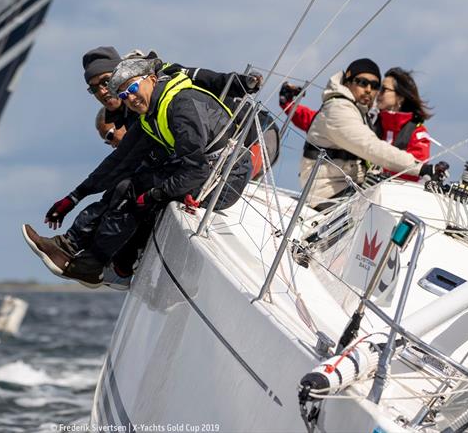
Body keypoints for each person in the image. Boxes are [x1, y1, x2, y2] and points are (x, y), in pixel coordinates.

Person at [23, 58, 252, 287]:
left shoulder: (180, 106)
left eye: (132, 89)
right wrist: (73, 197)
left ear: (151, 80)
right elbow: (119, 161)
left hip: (224, 180)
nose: (130, 99)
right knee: (125, 183)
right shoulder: (150, 115)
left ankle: (93, 264)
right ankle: (69, 246)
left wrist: (155, 194)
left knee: (132, 191)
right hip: (203, 172)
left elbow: (196, 169)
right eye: (123, 96)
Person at [298, 58, 445, 209]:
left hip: (360, 190)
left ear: (400, 97)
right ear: (348, 82)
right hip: (329, 195)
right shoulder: (341, 109)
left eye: (375, 86)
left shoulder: (364, 114)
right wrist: (421, 168)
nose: (369, 89)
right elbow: (370, 147)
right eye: (362, 82)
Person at [281, 67, 433, 181]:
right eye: (377, 89)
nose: (376, 94)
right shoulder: (370, 118)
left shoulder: (417, 134)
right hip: (360, 196)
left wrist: (381, 175)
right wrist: (289, 104)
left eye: (383, 90)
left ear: (400, 97)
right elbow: (324, 123)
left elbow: (416, 169)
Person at [82, 46, 261, 131]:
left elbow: (208, 79)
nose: (102, 92)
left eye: (106, 82)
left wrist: (244, 83)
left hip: (249, 133)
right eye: (94, 89)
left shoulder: (163, 75)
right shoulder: (126, 113)